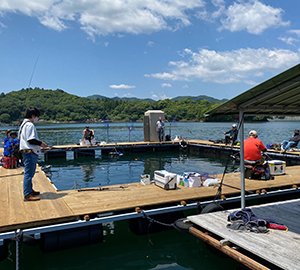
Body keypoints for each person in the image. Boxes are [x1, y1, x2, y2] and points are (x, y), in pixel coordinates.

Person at [19, 107, 47, 201]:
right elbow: (30, 139)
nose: (37, 118)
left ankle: (30, 190)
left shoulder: (23, 124)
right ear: (32, 116)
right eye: (37, 116)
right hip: (29, 152)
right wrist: (41, 143)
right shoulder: (30, 125)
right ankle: (27, 194)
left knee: (29, 173)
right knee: (28, 173)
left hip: (26, 151)